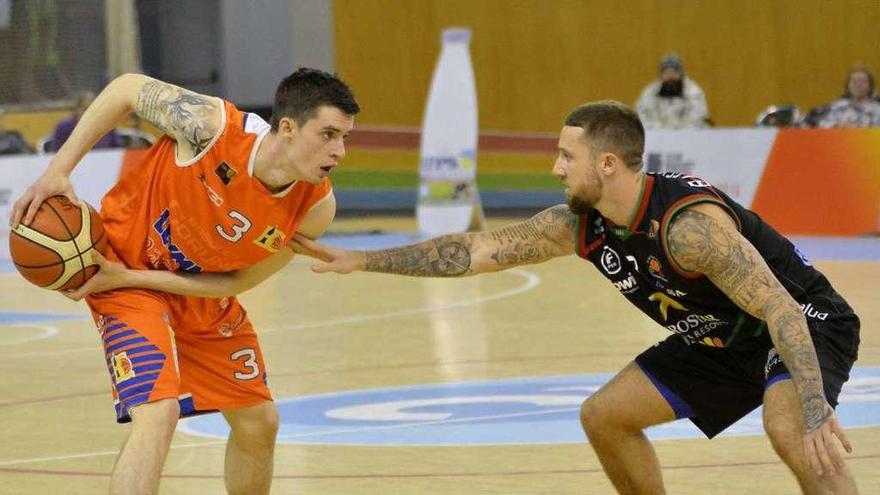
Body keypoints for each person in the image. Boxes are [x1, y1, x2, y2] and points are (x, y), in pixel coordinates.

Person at [291, 101, 860, 494]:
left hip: (801, 320)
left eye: (568, 156)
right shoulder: (578, 223)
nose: (556, 167)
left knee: (791, 430)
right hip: (719, 336)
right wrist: (365, 259)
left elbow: (781, 308)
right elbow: (479, 250)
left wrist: (815, 408)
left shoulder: (689, 229)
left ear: (606, 164)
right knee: (604, 417)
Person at [10, 68, 359, 494]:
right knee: (158, 414)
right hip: (120, 270)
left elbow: (236, 282)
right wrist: (58, 171)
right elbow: (124, 90)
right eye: (328, 134)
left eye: (344, 137)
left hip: (189, 288)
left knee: (259, 422)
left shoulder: (316, 209)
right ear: (287, 128)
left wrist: (133, 276)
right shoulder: (211, 128)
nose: (339, 150)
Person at [636, 52, 709, 129]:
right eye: (666, 72)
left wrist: (677, 133)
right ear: (661, 75)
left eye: (674, 72)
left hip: (688, 137)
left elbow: (698, 118)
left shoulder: (694, 92)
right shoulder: (649, 93)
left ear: (681, 74)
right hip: (657, 137)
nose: (670, 76)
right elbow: (642, 117)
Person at [47, 91, 123, 152]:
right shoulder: (63, 127)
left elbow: (118, 151)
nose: (90, 113)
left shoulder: (107, 125)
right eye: (85, 109)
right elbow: (55, 154)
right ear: (76, 110)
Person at [811, 66, 880, 128]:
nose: (858, 85)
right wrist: (837, 127)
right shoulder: (837, 106)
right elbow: (823, 124)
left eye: (863, 82)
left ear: (870, 86)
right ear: (848, 85)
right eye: (854, 82)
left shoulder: (877, 108)